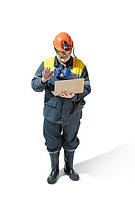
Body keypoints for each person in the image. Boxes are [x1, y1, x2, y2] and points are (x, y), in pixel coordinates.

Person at [31, 32, 91, 184]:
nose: (64, 55)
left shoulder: (80, 66)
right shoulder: (47, 64)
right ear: (55, 49)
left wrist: (75, 95)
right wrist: (44, 79)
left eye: (67, 52)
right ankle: (54, 169)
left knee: (71, 140)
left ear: (72, 49)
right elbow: (34, 85)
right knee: (52, 141)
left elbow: (88, 86)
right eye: (60, 52)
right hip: (52, 112)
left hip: (72, 112)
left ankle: (69, 167)